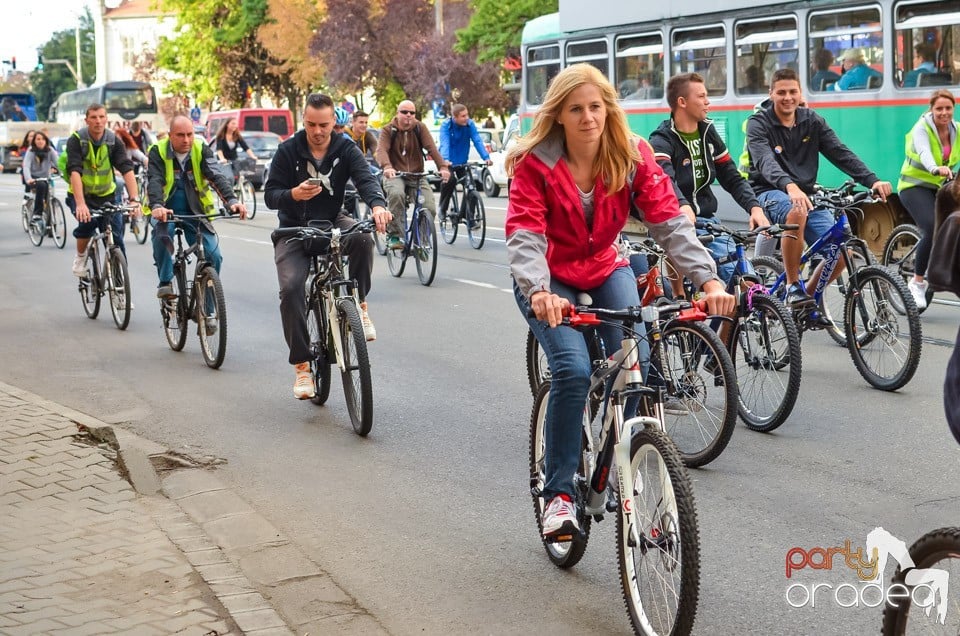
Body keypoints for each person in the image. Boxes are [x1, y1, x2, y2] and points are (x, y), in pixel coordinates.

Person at [506, 63, 734, 538]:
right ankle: (560, 495)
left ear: (609, 109)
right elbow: (525, 234)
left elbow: (669, 223)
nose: (588, 117)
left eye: (596, 106)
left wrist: (708, 281)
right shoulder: (536, 164)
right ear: (560, 115)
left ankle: (630, 475)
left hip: (606, 266)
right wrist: (540, 291)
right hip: (548, 278)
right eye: (576, 109)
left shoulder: (631, 156)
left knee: (638, 364)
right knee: (571, 370)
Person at [264, 93, 391, 399]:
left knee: (362, 237)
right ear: (303, 122)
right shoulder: (287, 150)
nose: (318, 131)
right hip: (293, 229)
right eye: (311, 125)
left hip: (333, 220)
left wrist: (377, 206)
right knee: (292, 288)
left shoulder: (345, 147)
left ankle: (359, 305)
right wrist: (293, 194)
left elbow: (365, 180)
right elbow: (270, 195)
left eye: (323, 124)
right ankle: (302, 367)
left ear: (334, 121)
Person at [745, 68, 892, 310]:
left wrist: (872, 180)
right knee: (797, 211)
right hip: (768, 192)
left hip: (805, 195)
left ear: (800, 93)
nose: (788, 97)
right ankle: (793, 285)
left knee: (843, 251)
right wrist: (790, 186)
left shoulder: (811, 120)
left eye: (793, 92)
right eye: (781, 92)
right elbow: (764, 162)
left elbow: (839, 152)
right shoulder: (758, 124)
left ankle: (809, 298)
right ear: (771, 94)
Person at [650, 72, 769, 284]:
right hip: (677, 223)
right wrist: (683, 205)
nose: (708, 102)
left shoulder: (708, 132)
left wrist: (754, 207)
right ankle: (680, 298)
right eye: (702, 96)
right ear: (682, 102)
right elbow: (665, 179)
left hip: (708, 222)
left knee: (746, 282)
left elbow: (732, 176)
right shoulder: (661, 139)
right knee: (717, 284)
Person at [147, 115, 247, 318]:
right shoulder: (158, 150)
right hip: (166, 211)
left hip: (196, 211)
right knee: (162, 238)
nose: (186, 140)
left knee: (214, 255)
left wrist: (232, 201)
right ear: (170, 135)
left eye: (190, 134)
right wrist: (157, 205)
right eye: (180, 135)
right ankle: (166, 282)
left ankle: (207, 309)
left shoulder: (201, 149)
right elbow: (155, 180)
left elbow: (216, 175)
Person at [896, 89, 959, 310]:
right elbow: (924, 152)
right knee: (932, 227)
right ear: (931, 110)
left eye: (948, 108)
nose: (944, 112)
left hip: (940, 187)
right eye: (939, 108)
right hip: (913, 186)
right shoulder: (921, 128)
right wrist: (935, 168)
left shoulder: (957, 130)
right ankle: (917, 281)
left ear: (954, 108)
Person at [66, 103, 138, 274]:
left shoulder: (113, 141)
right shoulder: (77, 140)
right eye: (93, 117)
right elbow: (75, 171)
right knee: (87, 222)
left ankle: (121, 294)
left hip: (107, 195)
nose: (98, 121)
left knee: (116, 241)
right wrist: (81, 204)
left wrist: (135, 200)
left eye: (101, 117)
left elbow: (126, 168)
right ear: (87, 120)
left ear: (106, 119)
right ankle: (81, 257)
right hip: (81, 196)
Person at [374, 100, 449, 250]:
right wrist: (387, 167)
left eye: (412, 113)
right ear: (398, 113)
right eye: (404, 112)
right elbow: (381, 150)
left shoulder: (420, 128)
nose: (408, 115)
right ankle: (395, 235)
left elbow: (432, 149)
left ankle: (421, 240)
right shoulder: (389, 130)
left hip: (417, 175)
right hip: (395, 174)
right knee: (396, 194)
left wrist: (442, 167)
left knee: (429, 206)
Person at [437, 103, 493, 220]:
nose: (466, 118)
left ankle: (469, 216)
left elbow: (477, 140)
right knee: (450, 180)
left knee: (471, 186)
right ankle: (442, 208)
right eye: (463, 116)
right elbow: (444, 143)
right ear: (455, 117)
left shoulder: (470, 125)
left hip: (462, 161)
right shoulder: (446, 126)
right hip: (448, 163)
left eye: (467, 115)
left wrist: (486, 157)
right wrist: (446, 160)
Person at [22, 132, 58, 219]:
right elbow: (26, 166)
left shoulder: (50, 150)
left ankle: (49, 219)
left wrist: (63, 173)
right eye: (38, 139)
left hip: (46, 177)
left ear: (46, 141)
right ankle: (37, 213)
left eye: (43, 139)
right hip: (34, 178)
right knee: (41, 186)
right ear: (34, 141)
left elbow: (58, 163)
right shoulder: (31, 151)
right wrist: (29, 179)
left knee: (49, 194)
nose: (40, 141)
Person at [214, 118, 257, 184]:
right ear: (227, 124)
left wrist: (253, 156)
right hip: (225, 162)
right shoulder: (221, 136)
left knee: (237, 176)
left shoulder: (236, 135)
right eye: (233, 123)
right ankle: (229, 193)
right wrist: (222, 159)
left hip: (234, 160)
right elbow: (219, 150)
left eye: (236, 124)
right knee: (230, 178)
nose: (235, 125)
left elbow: (246, 147)